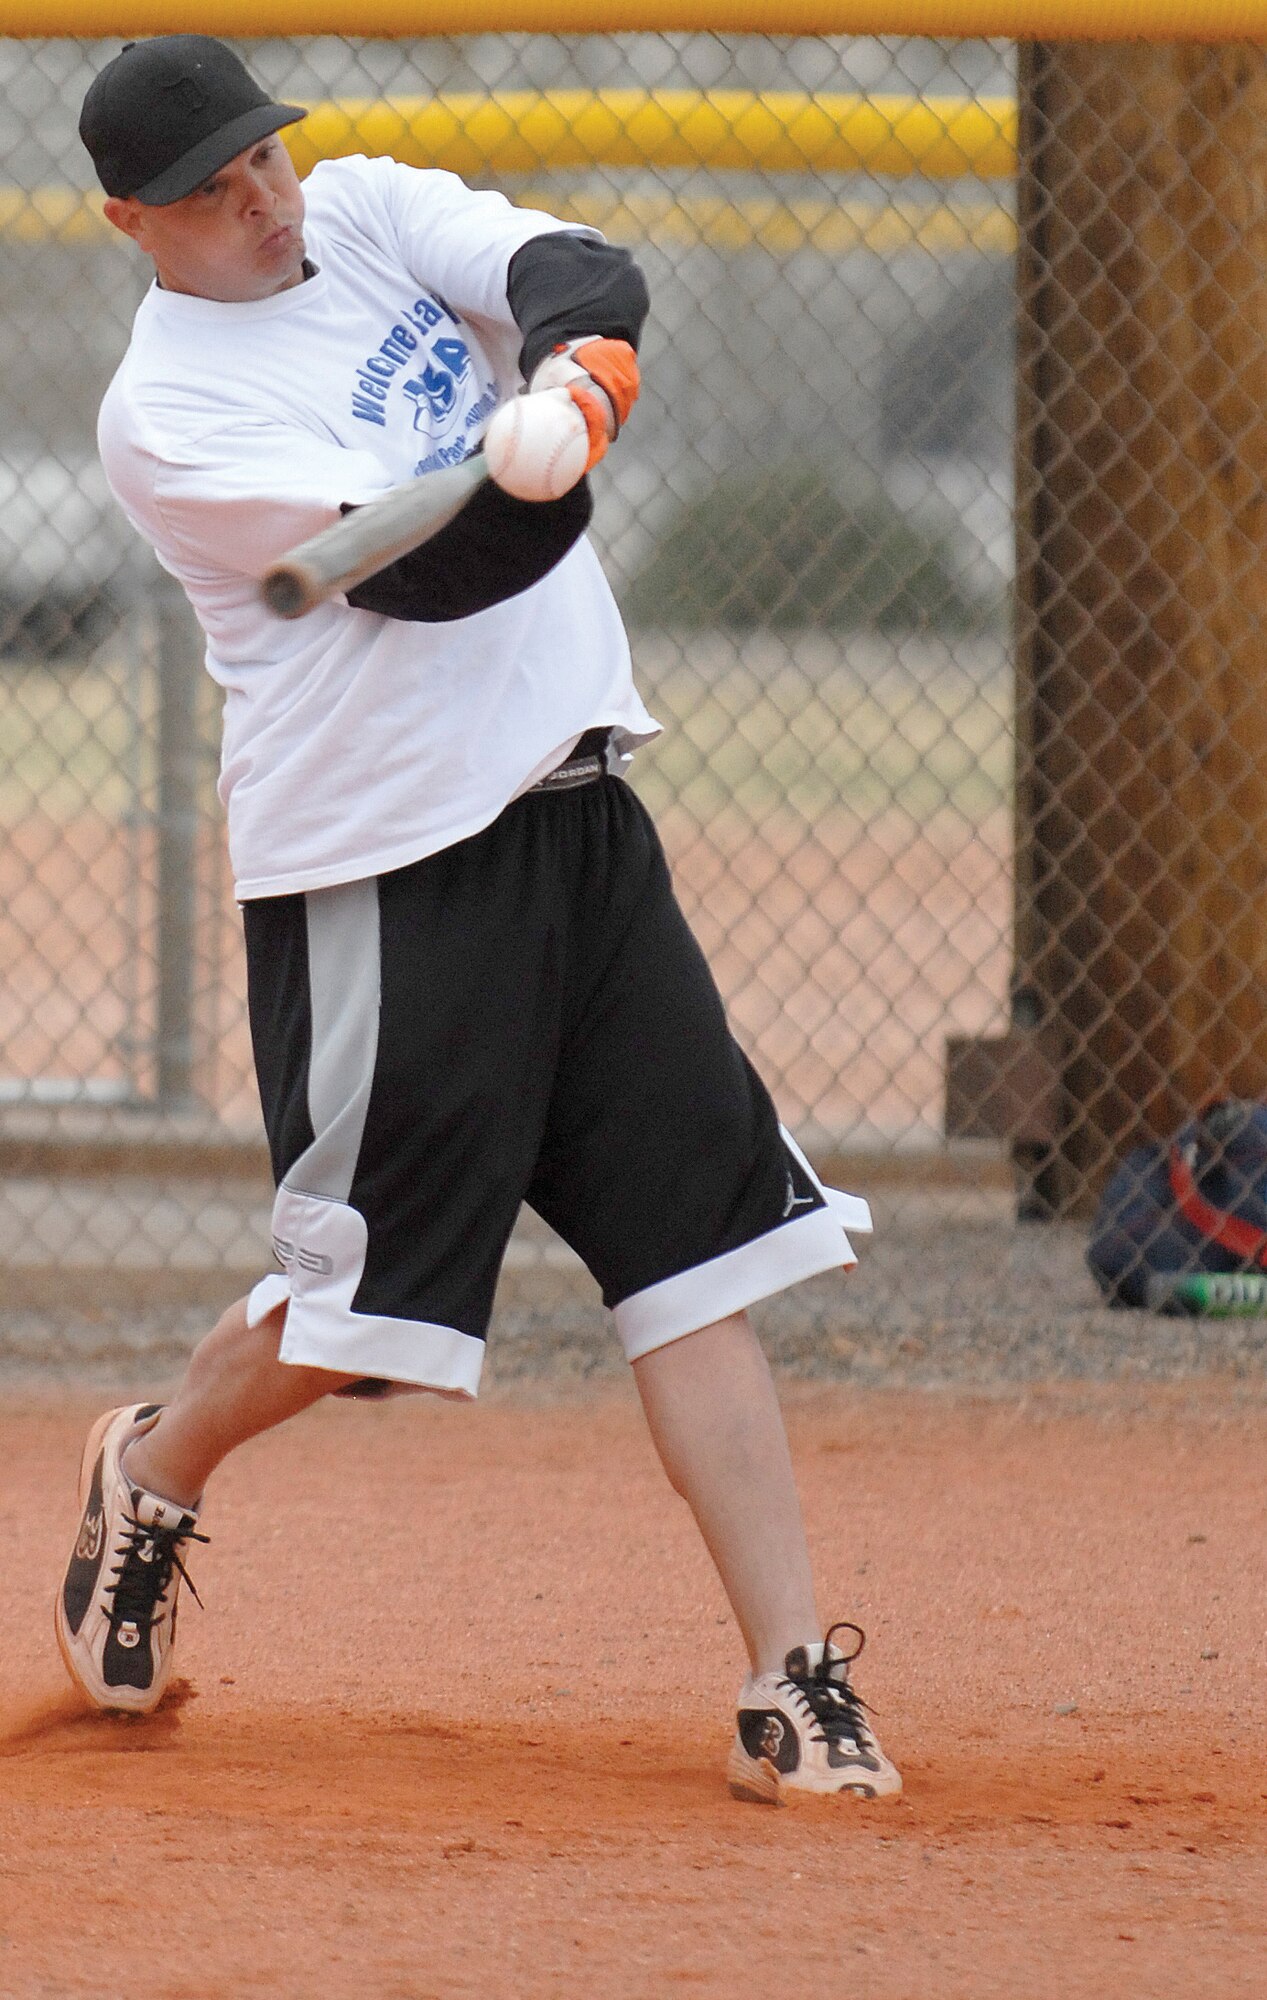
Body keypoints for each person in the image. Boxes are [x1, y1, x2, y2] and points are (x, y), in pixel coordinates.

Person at [56, 34, 901, 1806]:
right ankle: (153, 1465)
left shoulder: (360, 211)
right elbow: (443, 573)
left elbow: (574, 271)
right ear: (131, 219)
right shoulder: (172, 419)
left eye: (263, 155)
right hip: (388, 862)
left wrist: (580, 372)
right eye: (210, 185)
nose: (260, 193)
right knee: (362, 1320)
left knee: (700, 1255)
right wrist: (542, 465)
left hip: (582, 810)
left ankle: (790, 1678)